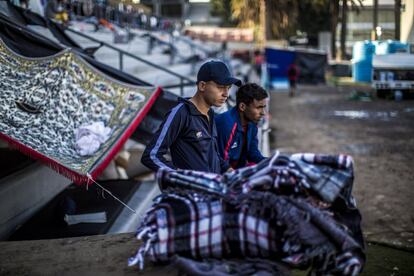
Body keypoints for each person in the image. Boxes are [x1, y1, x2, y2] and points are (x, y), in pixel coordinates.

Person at [141, 60, 241, 173]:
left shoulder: (210, 113)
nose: (226, 94)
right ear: (202, 86)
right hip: (191, 189)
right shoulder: (180, 113)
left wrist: (228, 169)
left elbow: (211, 155)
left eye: (228, 88)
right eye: (220, 87)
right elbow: (151, 155)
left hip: (211, 188)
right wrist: (180, 176)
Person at [215, 83, 268, 169]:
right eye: (259, 107)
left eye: (264, 107)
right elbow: (221, 163)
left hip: (236, 171)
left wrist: (272, 162)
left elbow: (253, 153)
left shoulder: (252, 123)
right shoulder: (227, 125)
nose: (263, 113)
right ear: (242, 106)